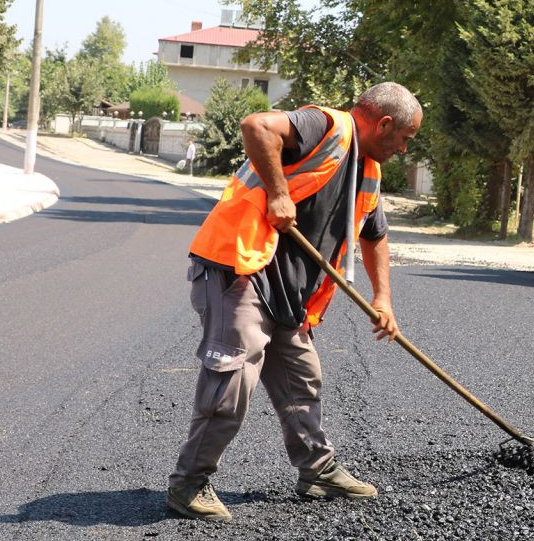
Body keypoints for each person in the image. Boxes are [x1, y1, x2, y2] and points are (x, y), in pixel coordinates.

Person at [167, 82, 422, 522]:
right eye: (405, 137)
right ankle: (188, 485)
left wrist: (383, 298)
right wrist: (279, 193)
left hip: (287, 292)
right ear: (384, 123)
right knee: (232, 379)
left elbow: (375, 236)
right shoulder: (326, 126)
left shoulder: (369, 171)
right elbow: (256, 126)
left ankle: (318, 471)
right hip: (240, 269)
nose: (404, 147)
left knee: (302, 378)